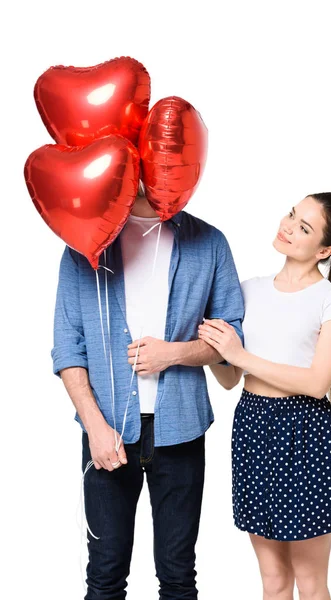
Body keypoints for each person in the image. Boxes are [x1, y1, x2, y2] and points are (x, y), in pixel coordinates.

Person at [51, 181, 244, 600]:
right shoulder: (85, 244)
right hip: (106, 433)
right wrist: (95, 427)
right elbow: (68, 346)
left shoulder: (208, 242)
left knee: (177, 576)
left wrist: (172, 354)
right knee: (104, 574)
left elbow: (233, 335)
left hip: (182, 429)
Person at [198, 192, 331, 600]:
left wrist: (239, 353)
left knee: (310, 582)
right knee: (272, 580)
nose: (288, 226)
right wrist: (212, 349)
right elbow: (230, 379)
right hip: (253, 427)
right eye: (292, 214)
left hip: (306, 432)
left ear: (325, 249)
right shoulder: (248, 289)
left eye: (304, 228)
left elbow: (316, 382)